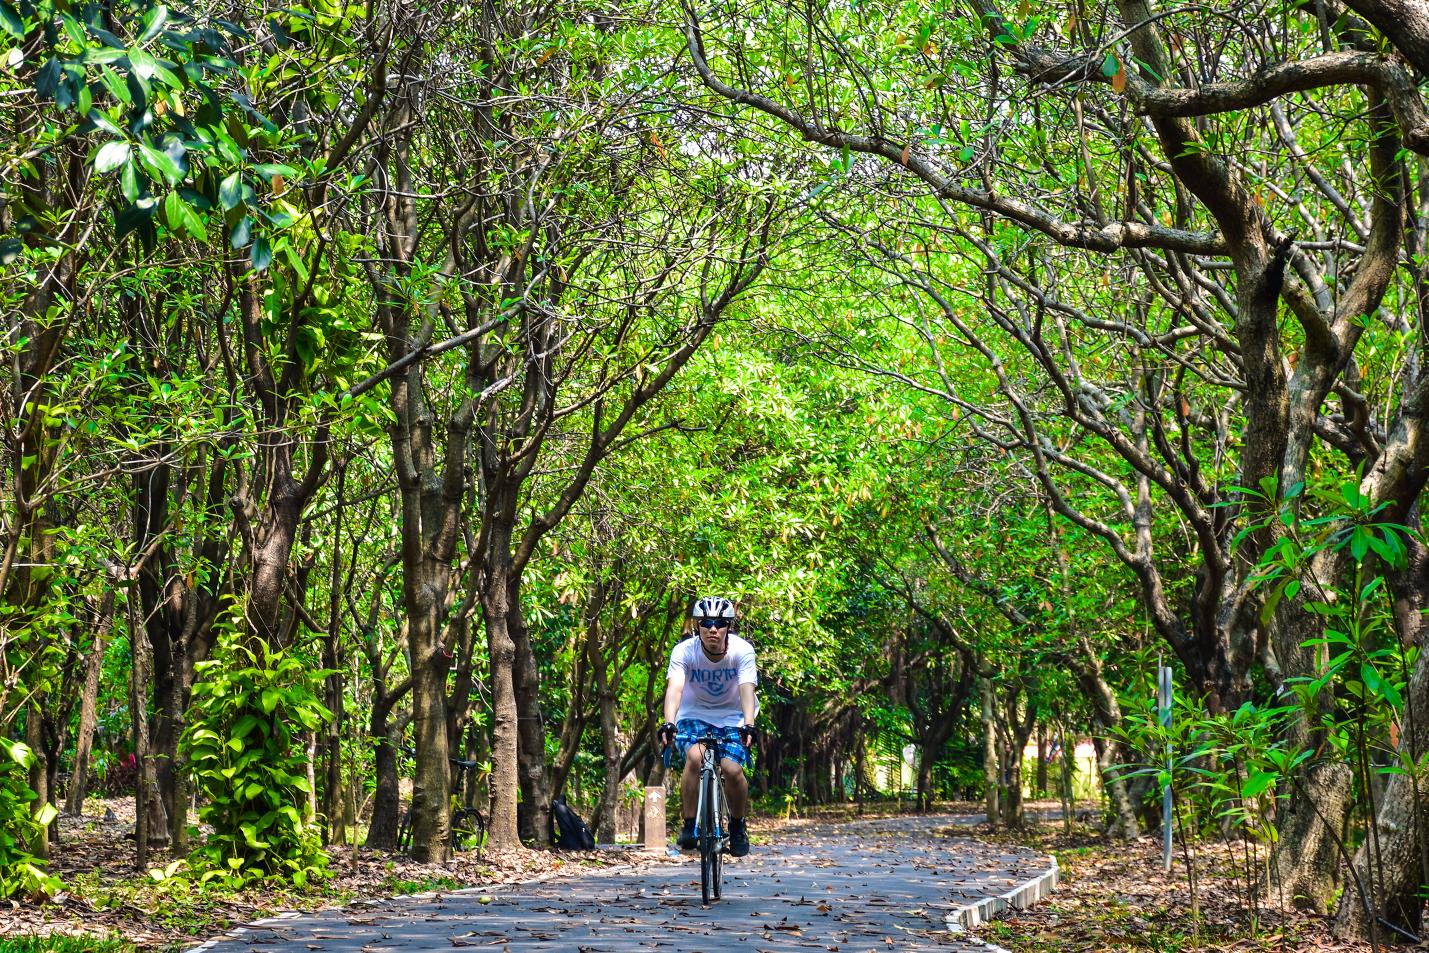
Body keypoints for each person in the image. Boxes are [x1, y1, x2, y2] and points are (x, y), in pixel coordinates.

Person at [657, 596, 758, 857]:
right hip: (694, 714)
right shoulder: (684, 651)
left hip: (733, 715)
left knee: (732, 770)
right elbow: (675, 688)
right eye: (707, 623)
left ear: (728, 627)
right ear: (697, 625)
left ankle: (737, 826)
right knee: (695, 756)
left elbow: (747, 688)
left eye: (720, 623)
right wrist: (669, 721)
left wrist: (749, 724)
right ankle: (690, 825)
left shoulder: (742, 650)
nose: (713, 629)